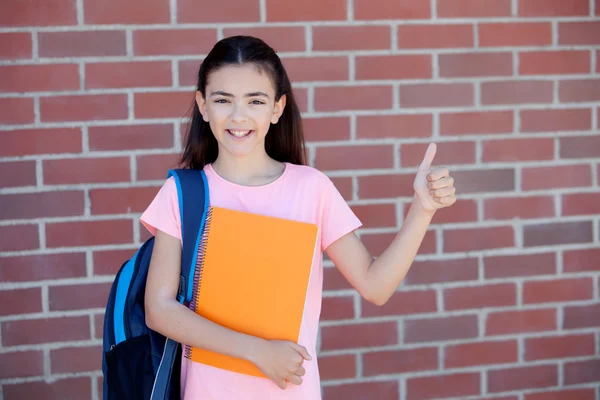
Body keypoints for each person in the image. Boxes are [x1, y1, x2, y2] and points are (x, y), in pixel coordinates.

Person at [140, 35, 456, 400]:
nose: (239, 116)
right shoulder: (182, 194)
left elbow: (375, 285)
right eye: (223, 100)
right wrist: (258, 351)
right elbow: (159, 309)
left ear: (277, 108)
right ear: (203, 105)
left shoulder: (312, 189)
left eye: (255, 101)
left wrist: (422, 210)